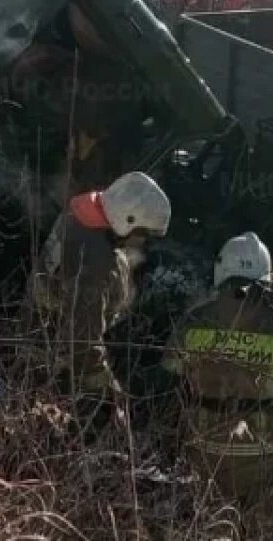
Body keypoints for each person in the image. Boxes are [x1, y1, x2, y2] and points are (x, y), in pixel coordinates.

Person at [160, 232, 273, 540]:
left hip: (205, 455)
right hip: (271, 459)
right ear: (266, 278)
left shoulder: (192, 324)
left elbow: (166, 391)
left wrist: (168, 443)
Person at [32, 171, 170, 405]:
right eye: (144, 234)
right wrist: (108, 387)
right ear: (127, 220)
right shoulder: (96, 264)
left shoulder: (81, 213)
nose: (145, 242)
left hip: (39, 321)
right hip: (56, 348)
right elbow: (83, 341)